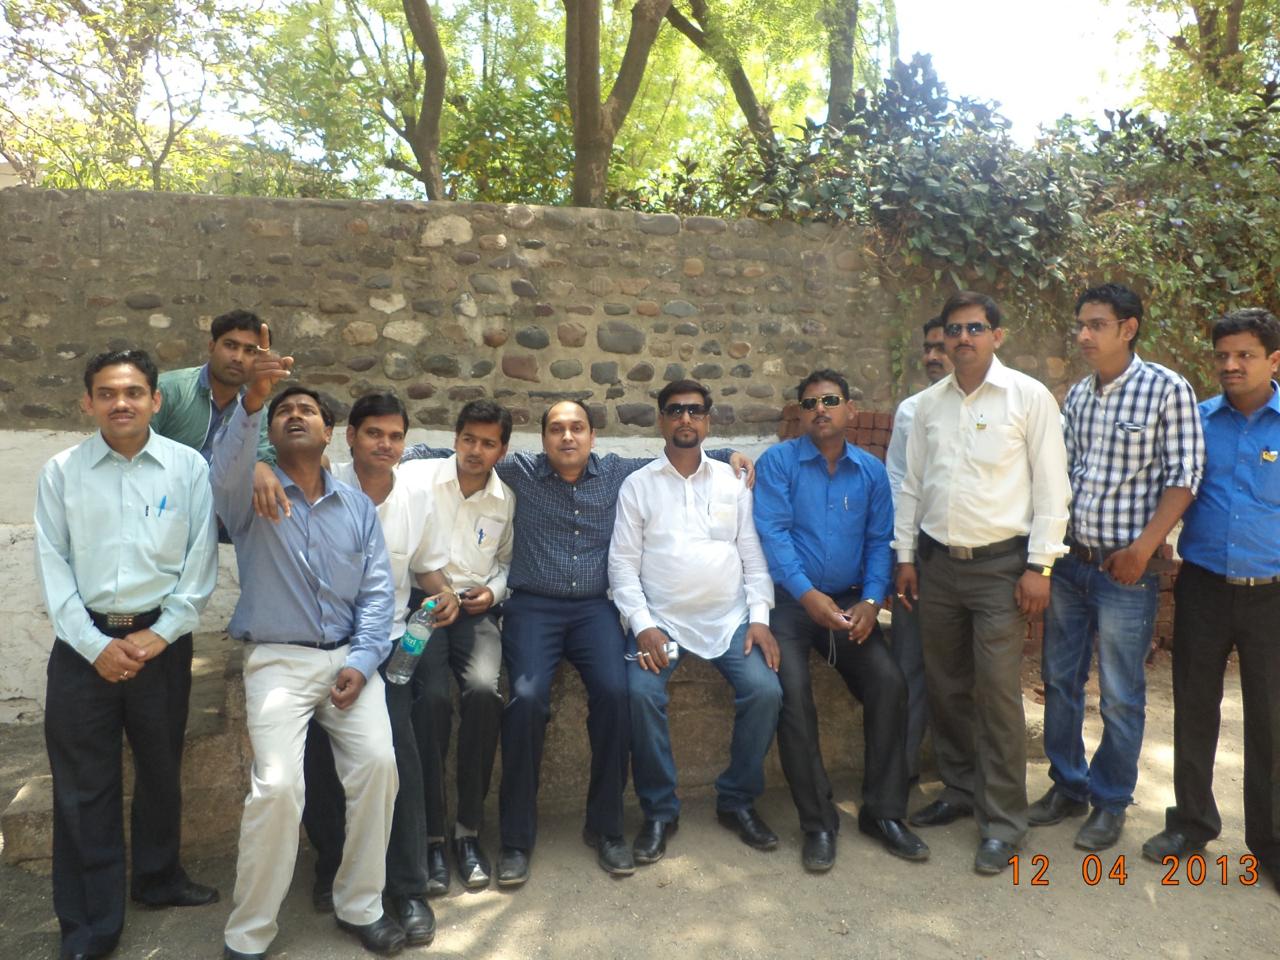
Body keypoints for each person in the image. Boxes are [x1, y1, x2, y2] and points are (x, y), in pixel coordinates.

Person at [402, 403, 752, 886]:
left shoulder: (616, 473)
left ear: (592, 436)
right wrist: (394, 452)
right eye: (556, 429)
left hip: (593, 610)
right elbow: (449, 452)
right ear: (543, 438)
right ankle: (516, 840)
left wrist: (730, 453)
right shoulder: (518, 469)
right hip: (533, 608)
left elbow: (676, 453)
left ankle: (606, 828)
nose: (567, 437)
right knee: (525, 700)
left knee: (616, 693)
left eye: (577, 428)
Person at [215, 328, 402, 960]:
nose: (295, 414)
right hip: (277, 660)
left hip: (349, 660)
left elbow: (377, 596)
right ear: (271, 431)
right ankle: (248, 934)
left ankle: (360, 905)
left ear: (330, 434)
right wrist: (252, 400)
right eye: (283, 410)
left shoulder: (356, 507)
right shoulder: (250, 492)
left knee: (378, 767)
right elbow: (223, 470)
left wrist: (364, 661)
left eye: (308, 410)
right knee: (276, 788)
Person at [35, 348, 219, 960]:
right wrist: (94, 646)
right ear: (87, 402)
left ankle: (158, 879)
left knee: (161, 768)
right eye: (108, 393)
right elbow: (53, 567)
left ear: (155, 400)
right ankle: (90, 924)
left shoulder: (188, 468)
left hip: (160, 643)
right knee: (83, 786)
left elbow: (199, 561)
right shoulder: (61, 472)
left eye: (134, 392)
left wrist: (160, 634)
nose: (122, 403)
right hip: (82, 647)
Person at [893, 291, 1070, 876]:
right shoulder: (927, 406)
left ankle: (1003, 822)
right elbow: (912, 485)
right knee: (946, 685)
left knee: (996, 694)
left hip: (1001, 569)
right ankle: (961, 788)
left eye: (974, 328)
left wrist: (1041, 566)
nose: (963, 338)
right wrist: (906, 556)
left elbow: (1052, 487)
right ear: (942, 338)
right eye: (954, 329)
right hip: (938, 566)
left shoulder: (1028, 397)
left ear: (997, 335)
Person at [1032, 284, 1203, 852]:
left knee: (1120, 692)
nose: (1083, 335)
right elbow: (1063, 475)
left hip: (1127, 573)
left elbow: (1184, 477)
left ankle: (1110, 801)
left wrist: (1144, 549)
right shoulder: (1080, 396)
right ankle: (1067, 785)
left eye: (1096, 325)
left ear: (1128, 329)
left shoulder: (1166, 389)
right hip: (1071, 563)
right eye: (1080, 324)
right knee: (1060, 680)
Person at [299, 391, 459, 947]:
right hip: (319, 643)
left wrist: (446, 595)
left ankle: (408, 886)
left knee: (398, 757)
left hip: (389, 645)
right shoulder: (322, 485)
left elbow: (427, 569)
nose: (385, 445)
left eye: (394, 436)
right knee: (319, 757)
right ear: (350, 437)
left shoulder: (416, 497)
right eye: (374, 433)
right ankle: (331, 866)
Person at [754, 369, 928, 872]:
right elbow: (773, 534)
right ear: (799, 415)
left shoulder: (870, 472)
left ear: (850, 410)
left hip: (852, 601)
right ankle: (818, 822)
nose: (820, 410)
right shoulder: (779, 463)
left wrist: (872, 600)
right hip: (791, 602)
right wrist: (807, 595)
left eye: (830, 401)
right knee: (790, 691)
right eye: (810, 404)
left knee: (889, 683)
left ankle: (883, 812)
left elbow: (879, 541)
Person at [609, 380, 781, 865]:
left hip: (729, 620)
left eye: (695, 410)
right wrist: (642, 624)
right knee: (640, 694)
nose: (685, 418)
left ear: (708, 420)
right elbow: (622, 565)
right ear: (660, 420)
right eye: (675, 410)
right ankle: (660, 811)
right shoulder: (638, 485)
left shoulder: (732, 482)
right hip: (662, 623)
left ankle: (737, 801)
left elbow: (752, 556)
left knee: (766, 691)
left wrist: (760, 618)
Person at [1141, 308, 1280, 891]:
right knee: (1194, 707)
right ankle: (1192, 823)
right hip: (1203, 587)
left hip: (1272, 595)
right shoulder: (1196, 422)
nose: (1231, 365)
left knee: (1270, 719)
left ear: (1274, 360)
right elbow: (1169, 489)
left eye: (1245, 355)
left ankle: (1270, 842)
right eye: (1222, 355)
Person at [409, 399, 515, 892]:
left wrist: (493, 592)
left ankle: (467, 831)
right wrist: (440, 593)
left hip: (476, 610)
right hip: (423, 606)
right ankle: (431, 836)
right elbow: (405, 546)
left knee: (484, 691)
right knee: (429, 699)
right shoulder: (419, 480)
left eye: (488, 443)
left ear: (502, 450)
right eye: (468, 439)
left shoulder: (504, 499)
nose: (476, 450)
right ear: (455, 439)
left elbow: (507, 561)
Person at [885, 315, 953, 781]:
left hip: (974, 561)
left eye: (940, 348)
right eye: (927, 348)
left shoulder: (1010, 403)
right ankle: (901, 771)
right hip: (917, 556)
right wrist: (903, 551)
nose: (931, 356)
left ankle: (962, 779)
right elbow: (897, 479)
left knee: (961, 671)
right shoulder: (911, 411)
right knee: (907, 663)